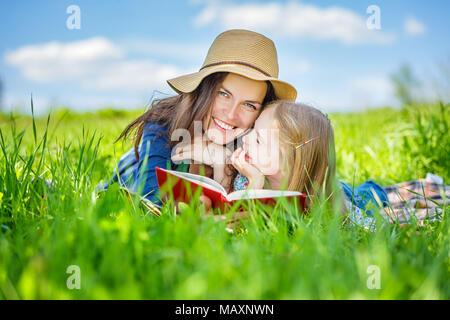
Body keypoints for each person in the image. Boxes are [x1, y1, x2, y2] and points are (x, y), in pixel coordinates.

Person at [97, 29, 297, 205]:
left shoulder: (256, 142)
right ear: (204, 89)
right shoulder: (163, 123)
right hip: (131, 172)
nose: (230, 114)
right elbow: (151, 199)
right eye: (223, 94)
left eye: (249, 105)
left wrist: (224, 163)